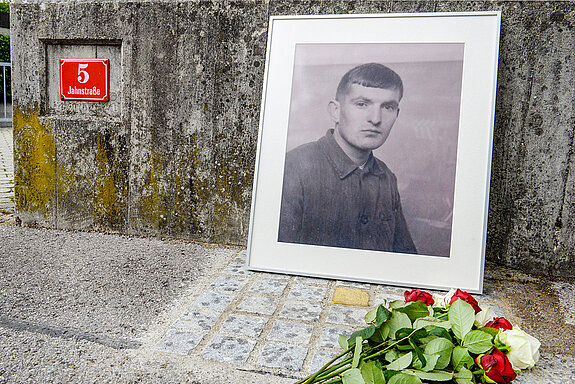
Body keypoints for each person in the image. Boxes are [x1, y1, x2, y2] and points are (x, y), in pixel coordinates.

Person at [278, 62, 417, 254]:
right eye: (362, 104)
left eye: (388, 107)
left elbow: (406, 259)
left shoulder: (386, 177)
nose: (376, 119)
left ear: (397, 114)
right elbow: (278, 261)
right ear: (336, 111)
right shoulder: (293, 168)